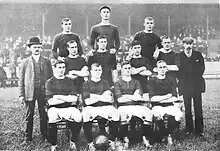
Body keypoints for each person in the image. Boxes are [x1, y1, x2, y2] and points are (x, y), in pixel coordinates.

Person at [18, 36, 53, 142]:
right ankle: (28, 137)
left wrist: (50, 93)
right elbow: (21, 80)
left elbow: (51, 78)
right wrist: (21, 95)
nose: (36, 49)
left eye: (38, 47)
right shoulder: (25, 62)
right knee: (29, 114)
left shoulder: (46, 61)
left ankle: (45, 135)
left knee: (44, 114)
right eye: (34, 47)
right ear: (30, 48)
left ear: (41, 48)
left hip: (43, 91)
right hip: (30, 91)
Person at [114, 61, 153, 149]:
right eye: (125, 69)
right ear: (122, 71)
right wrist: (132, 96)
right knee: (123, 114)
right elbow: (120, 99)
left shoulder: (136, 82)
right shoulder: (118, 83)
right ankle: (125, 138)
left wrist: (126, 96)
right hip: (123, 106)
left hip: (136, 105)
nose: (127, 70)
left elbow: (139, 97)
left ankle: (145, 138)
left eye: (129, 68)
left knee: (148, 112)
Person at [45, 60, 82, 151]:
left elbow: (74, 99)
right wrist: (67, 98)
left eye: (63, 67)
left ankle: (73, 141)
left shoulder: (69, 81)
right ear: (54, 68)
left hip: (69, 107)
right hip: (54, 108)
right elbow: (51, 102)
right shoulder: (50, 82)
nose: (62, 70)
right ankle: (54, 145)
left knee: (78, 116)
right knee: (52, 116)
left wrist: (58, 97)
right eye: (59, 67)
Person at [82, 63, 120, 151]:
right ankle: (90, 143)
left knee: (115, 113)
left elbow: (109, 99)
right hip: (91, 107)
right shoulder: (86, 83)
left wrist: (93, 96)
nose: (97, 72)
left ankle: (111, 141)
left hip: (105, 106)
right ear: (91, 71)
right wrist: (102, 96)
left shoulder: (105, 82)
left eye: (99, 70)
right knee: (86, 113)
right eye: (95, 70)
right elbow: (87, 101)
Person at [149, 60, 183, 146]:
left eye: (164, 67)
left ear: (167, 69)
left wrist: (160, 99)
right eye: (160, 67)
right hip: (157, 106)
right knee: (157, 113)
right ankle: (165, 133)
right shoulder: (152, 80)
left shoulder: (171, 80)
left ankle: (168, 133)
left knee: (178, 114)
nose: (162, 69)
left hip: (169, 105)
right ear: (156, 69)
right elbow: (152, 98)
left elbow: (175, 97)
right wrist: (167, 96)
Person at [178, 37, 205, 136]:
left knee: (198, 107)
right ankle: (189, 129)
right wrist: (186, 77)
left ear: (193, 45)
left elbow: (202, 68)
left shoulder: (198, 54)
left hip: (197, 85)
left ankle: (199, 130)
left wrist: (193, 75)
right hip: (185, 85)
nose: (189, 46)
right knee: (187, 108)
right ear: (183, 44)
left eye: (190, 44)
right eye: (187, 44)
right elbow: (179, 71)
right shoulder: (180, 56)